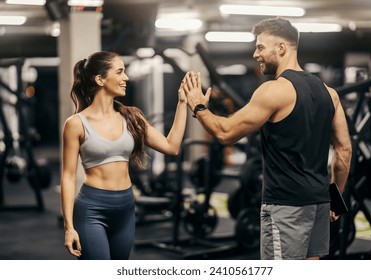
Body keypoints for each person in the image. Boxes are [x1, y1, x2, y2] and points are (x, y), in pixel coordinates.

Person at [181, 17, 352, 260]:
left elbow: (226, 133)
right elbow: (344, 151)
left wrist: (198, 107)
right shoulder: (330, 93)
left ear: (281, 48)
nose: (255, 54)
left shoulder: (274, 90)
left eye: (260, 47)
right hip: (319, 204)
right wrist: (335, 200)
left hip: (286, 206)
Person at [60, 51, 188, 260]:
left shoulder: (131, 117)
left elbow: (171, 146)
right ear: (100, 79)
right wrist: (69, 227)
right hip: (92, 209)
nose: (126, 77)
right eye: (119, 72)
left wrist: (182, 104)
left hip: (126, 207)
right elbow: (68, 176)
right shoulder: (75, 124)